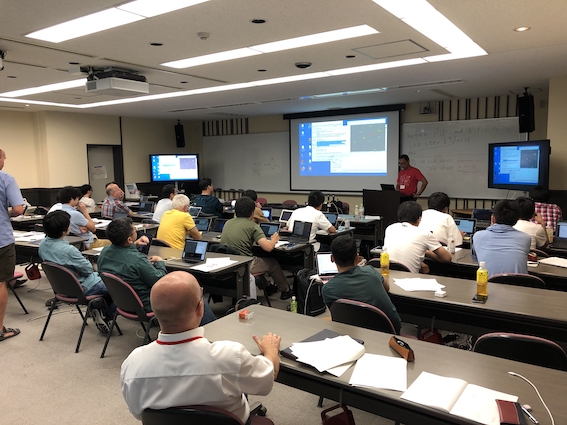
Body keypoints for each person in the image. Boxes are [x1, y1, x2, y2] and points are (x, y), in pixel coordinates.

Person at [120, 271, 279, 423]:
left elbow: (138, 414)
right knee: (237, 380)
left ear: (155, 311)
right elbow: (266, 379)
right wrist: (271, 351)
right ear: (200, 307)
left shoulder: (133, 364)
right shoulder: (231, 356)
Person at [98, 217, 216, 324]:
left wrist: (135, 244)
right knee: (193, 292)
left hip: (125, 303)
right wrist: (160, 262)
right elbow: (160, 281)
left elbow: (122, 254)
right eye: (134, 230)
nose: (136, 232)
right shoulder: (137, 260)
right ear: (129, 239)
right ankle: (210, 328)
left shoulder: (104, 252)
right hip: (148, 303)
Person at [38, 211, 111, 333]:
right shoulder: (68, 250)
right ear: (64, 231)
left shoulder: (43, 245)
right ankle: (106, 316)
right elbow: (88, 269)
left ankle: (97, 307)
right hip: (84, 286)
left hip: (62, 288)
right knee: (118, 287)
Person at [321, 235, 401, 334]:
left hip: (354, 332)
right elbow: (386, 288)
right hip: (390, 330)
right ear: (357, 257)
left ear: (332, 258)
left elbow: (339, 315)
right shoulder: (370, 271)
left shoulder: (327, 289)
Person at [221, 196, 293, 300]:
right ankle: (285, 290)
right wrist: (274, 239)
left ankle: (267, 286)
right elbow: (268, 248)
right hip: (245, 264)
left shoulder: (228, 223)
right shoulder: (252, 226)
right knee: (272, 263)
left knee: (260, 261)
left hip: (228, 263)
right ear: (252, 212)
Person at [384, 201, 452, 274]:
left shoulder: (390, 228)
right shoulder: (424, 233)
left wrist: (420, 262)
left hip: (387, 274)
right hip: (409, 278)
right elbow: (447, 258)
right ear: (419, 218)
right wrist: (426, 251)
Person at [472, 199, 531, 277]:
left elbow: (477, 259)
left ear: (493, 218)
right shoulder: (526, 238)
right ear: (516, 220)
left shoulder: (478, 236)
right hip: (519, 283)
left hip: (487, 283)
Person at [0, 148, 23, 342]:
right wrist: (6, 212)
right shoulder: (6, 178)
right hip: (1, 240)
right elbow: (18, 209)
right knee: (1, 282)